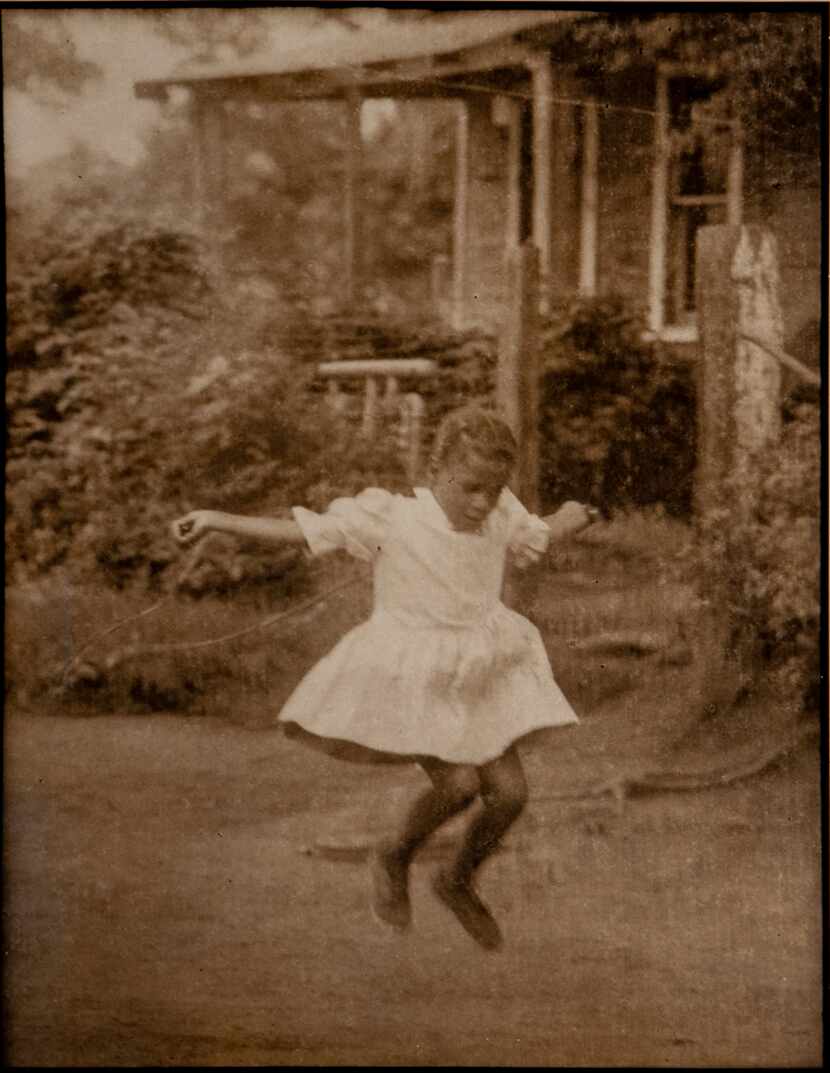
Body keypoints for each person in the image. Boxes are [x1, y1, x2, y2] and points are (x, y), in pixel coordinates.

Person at [172, 405, 597, 951]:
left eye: (493, 489)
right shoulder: (392, 519)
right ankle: (393, 853)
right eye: (470, 487)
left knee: (511, 795)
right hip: (412, 671)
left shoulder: (498, 515)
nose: (481, 502)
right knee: (460, 783)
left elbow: (534, 534)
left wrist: (572, 514)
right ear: (436, 469)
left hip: (478, 670)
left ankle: (456, 879)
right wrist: (215, 518)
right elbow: (304, 531)